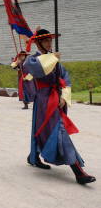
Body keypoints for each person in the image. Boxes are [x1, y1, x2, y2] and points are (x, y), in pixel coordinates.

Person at [26, 28, 96, 184]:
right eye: (46, 41)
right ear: (38, 43)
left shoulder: (55, 60)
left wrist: (64, 97)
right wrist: (52, 59)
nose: (50, 43)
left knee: (51, 129)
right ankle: (78, 172)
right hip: (44, 100)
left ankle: (34, 156)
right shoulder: (32, 59)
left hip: (56, 99)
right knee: (55, 131)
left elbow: (66, 80)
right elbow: (36, 70)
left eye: (51, 40)